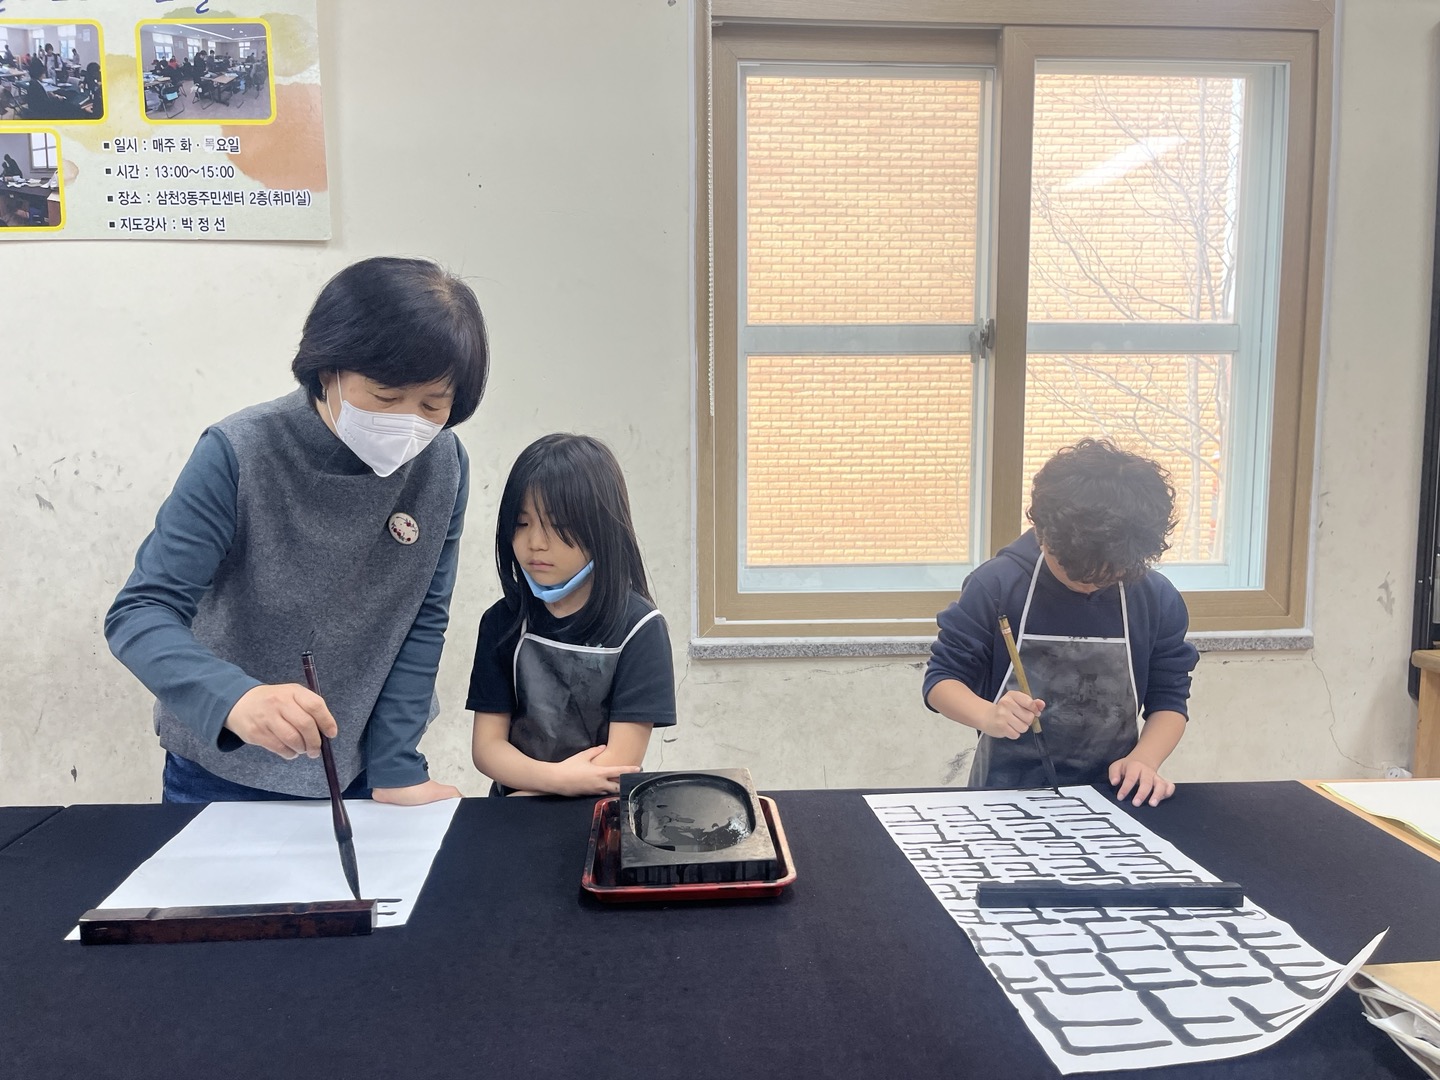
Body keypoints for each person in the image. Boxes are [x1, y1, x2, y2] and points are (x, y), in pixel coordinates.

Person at [106, 257, 490, 805]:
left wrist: (396, 765)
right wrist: (235, 698)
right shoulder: (239, 451)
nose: (408, 423)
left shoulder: (443, 463)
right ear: (328, 369)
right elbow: (141, 611)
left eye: (433, 405)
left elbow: (422, 618)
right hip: (223, 769)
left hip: (363, 770)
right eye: (385, 397)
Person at [923, 439, 1199, 807]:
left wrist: (1144, 760)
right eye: (1075, 570)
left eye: (1109, 574)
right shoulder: (997, 585)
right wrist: (989, 715)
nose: (1089, 584)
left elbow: (1169, 700)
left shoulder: (1155, 599)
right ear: (1042, 534)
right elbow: (941, 681)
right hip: (1002, 795)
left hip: (1112, 796)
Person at [469, 435, 676, 797]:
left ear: (601, 528)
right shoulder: (502, 621)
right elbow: (487, 748)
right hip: (515, 805)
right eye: (521, 523)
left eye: (557, 524)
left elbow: (617, 764)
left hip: (594, 809)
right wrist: (555, 781)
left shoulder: (640, 629)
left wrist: (539, 790)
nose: (535, 542)